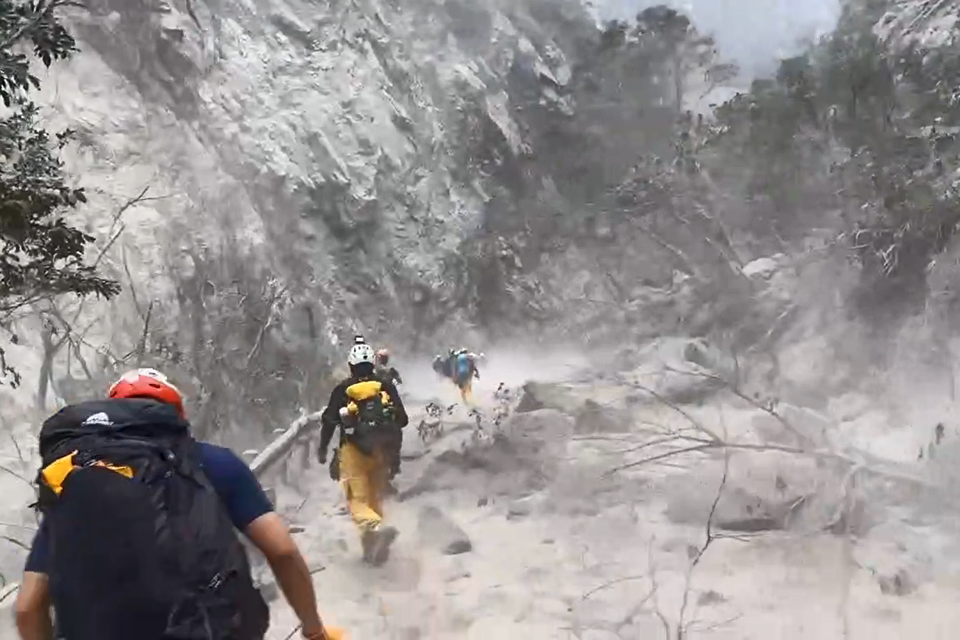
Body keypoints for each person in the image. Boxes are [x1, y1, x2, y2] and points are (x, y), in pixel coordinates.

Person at [15, 368, 341, 640]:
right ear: (177, 416)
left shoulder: (75, 484)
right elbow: (282, 550)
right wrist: (313, 630)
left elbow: (28, 607)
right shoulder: (213, 462)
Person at [318, 343, 408, 565]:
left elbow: (328, 421)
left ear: (351, 365)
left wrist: (322, 448)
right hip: (381, 453)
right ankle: (371, 549)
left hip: (353, 451)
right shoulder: (384, 386)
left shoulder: (343, 389)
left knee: (357, 500)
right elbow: (403, 420)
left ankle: (375, 529)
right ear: (373, 364)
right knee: (374, 499)